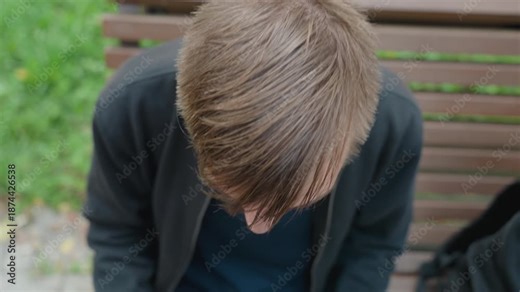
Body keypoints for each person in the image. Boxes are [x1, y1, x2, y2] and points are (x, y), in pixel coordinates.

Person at [84, 0, 423, 291]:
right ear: (188, 119)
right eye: (226, 191)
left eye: (294, 202)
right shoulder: (134, 105)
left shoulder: (394, 127)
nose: (256, 226)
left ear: (354, 142)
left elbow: (374, 246)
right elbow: (118, 232)